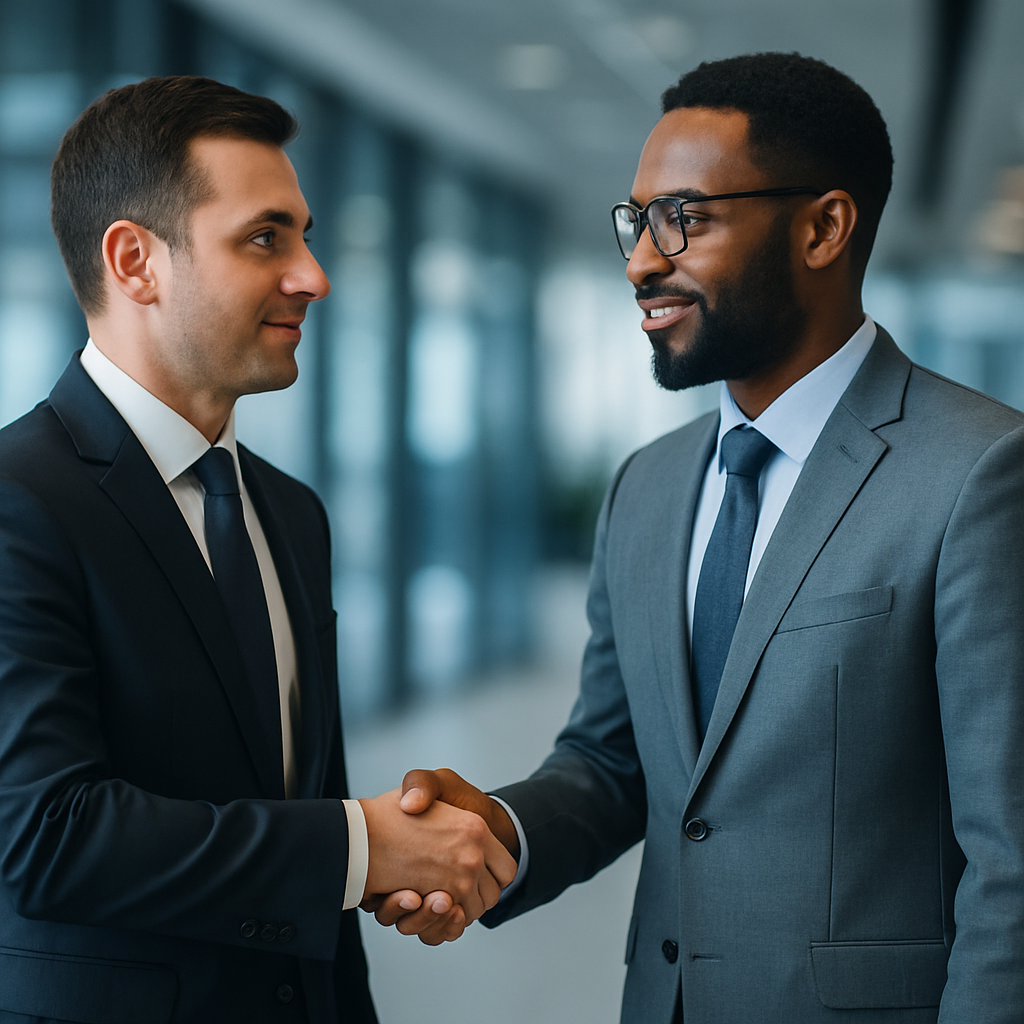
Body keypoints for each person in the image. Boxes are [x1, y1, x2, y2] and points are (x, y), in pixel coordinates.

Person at [374, 53, 1024, 1022]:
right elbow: (612, 762)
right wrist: (496, 830)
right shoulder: (646, 486)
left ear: (822, 228)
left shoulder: (981, 474)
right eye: (636, 221)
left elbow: (1012, 862)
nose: (641, 260)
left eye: (684, 218)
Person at [0, 76, 514, 1023]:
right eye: (266, 239)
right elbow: (44, 837)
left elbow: (300, 806)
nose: (314, 276)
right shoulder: (17, 502)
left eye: (304, 236)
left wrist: (371, 867)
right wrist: (361, 848)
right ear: (135, 262)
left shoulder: (291, 512)